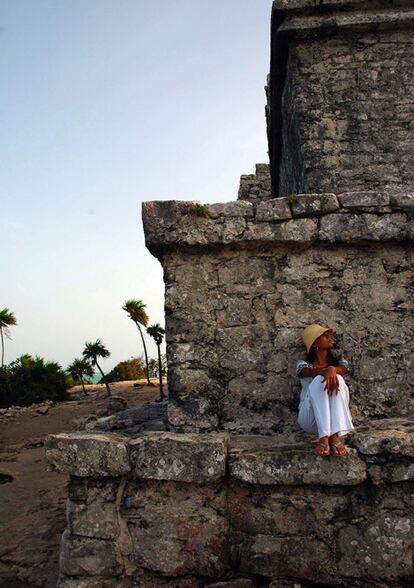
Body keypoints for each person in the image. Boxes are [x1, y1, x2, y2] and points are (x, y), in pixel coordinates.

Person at [295, 324, 354, 457]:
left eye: (329, 334)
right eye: (324, 335)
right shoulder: (302, 364)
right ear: (315, 343)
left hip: (336, 419)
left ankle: (328, 437)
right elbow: (308, 372)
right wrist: (326, 371)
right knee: (318, 381)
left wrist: (333, 369)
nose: (329, 337)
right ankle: (330, 436)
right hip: (310, 419)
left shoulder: (340, 362)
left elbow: (343, 370)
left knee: (337, 377)